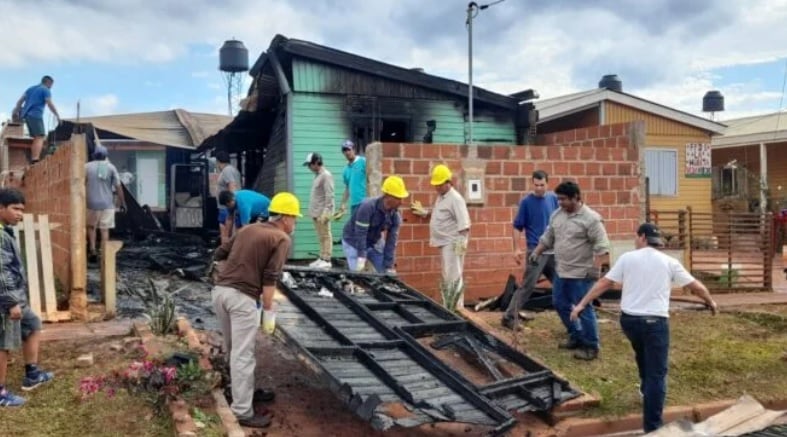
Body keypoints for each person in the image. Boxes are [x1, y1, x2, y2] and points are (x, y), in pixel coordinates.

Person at [570, 223, 718, 433]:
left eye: (636, 237)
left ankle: (644, 389)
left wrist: (582, 304)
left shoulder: (627, 258)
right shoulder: (669, 262)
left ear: (642, 237)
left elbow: (604, 283)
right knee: (657, 375)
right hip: (655, 323)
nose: (635, 240)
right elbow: (696, 287)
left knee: (642, 354)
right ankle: (652, 428)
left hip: (629, 322)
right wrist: (710, 301)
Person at [211, 192, 302, 428]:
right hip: (242, 299)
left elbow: (219, 254)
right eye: (294, 218)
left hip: (220, 293)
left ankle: (241, 393)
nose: (295, 224)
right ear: (284, 217)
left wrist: (227, 275)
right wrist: (269, 311)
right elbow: (270, 278)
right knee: (243, 355)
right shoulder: (281, 238)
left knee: (234, 349)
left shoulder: (248, 229)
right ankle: (242, 410)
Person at [529, 181, 610, 361]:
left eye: (564, 199)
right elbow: (548, 237)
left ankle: (591, 346)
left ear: (576, 198)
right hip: (562, 271)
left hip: (581, 274)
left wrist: (595, 270)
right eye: (558, 199)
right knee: (560, 304)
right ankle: (576, 335)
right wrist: (536, 252)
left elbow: (602, 247)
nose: (560, 202)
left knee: (584, 309)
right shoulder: (557, 215)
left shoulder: (591, 219)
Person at [0, 188, 55, 407]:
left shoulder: (6, 231)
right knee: (3, 344)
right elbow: (1, 271)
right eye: (15, 209)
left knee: (32, 324)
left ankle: (32, 374)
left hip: (15, 297)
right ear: (1, 208)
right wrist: (11, 302)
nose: (20, 214)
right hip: (5, 299)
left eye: (22, 210)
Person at [502, 170, 559, 330]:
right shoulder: (526, 202)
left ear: (547, 184)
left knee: (562, 284)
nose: (539, 188)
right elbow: (517, 227)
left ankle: (574, 315)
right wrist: (516, 248)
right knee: (528, 285)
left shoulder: (554, 199)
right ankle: (509, 316)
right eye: (536, 185)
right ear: (532, 184)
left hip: (554, 252)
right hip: (536, 251)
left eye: (542, 185)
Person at [411, 164, 471, 309]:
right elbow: (441, 213)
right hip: (445, 243)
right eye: (435, 184)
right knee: (447, 275)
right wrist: (425, 212)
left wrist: (460, 245)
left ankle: (456, 308)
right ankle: (448, 306)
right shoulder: (442, 197)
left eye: (439, 184)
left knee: (454, 276)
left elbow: (465, 224)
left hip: (453, 242)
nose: (437, 187)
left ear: (448, 182)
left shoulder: (456, 199)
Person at [342, 176, 408, 273]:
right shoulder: (367, 207)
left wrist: (388, 266)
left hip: (374, 241)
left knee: (385, 272)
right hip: (353, 240)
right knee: (358, 276)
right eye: (398, 198)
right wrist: (361, 257)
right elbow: (360, 234)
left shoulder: (395, 216)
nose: (401, 202)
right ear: (388, 196)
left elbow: (391, 242)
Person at [85, 145, 125, 262]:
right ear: (106, 156)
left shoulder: (86, 167)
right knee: (104, 229)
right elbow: (118, 187)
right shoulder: (111, 168)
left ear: (93, 155)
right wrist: (122, 202)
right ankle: (104, 253)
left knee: (91, 227)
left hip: (91, 203)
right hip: (107, 204)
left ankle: (92, 249)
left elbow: (80, 183)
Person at [13, 75, 60, 164]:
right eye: (51, 85)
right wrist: (57, 115)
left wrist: (17, 111)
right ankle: (35, 159)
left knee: (36, 137)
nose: (51, 88)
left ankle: (34, 158)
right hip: (36, 115)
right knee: (40, 136)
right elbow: (49, 103)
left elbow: (19, 101)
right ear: (48, 83)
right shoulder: (45, 90)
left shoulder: (30, 89)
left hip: (26, 115)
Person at [304, 152, 335, 269]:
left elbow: (330, 195)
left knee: (326, 235)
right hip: (316, 212)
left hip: (323, 212)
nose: (309, 167)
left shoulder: (326, 175)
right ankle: (322, 257)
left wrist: (326, 212)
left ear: (317, 162)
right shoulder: (317, 175)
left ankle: (327, 259)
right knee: (320, 236)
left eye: (310, 165)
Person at [215, 150, 241, 244]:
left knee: (224, 229)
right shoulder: (232, 169)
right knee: (230, 229)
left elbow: (232, 185)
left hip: (226, 206)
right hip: (228, 205)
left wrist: (231, 203)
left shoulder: (227, 170)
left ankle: (224, 252)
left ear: (218, 161)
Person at [339, 140, 366, 217]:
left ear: (354, 150)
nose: (347, 152)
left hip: (365, 203)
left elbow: (372, 179)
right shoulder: (345, 170)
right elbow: (347, 187)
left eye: (349, 149)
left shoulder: (363, 162)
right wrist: (343, 203)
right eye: (344, 150)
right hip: (354, 204)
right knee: (354, 228)